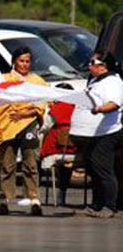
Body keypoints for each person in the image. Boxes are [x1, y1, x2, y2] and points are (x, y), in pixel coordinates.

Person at [0, 46, 47, 216]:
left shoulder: (37, 81)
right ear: (14, 61)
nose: (24, 64)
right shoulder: (4, 79)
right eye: (21, 61)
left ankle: (34, 200)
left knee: (31, 163)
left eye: (27, 61)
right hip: (6, 127)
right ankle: (4, 201)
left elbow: (41, 103)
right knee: (7, 164)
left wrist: (26, 112)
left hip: (28, 125)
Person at [70, 51, 123, 218]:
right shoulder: (96, 80)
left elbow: (113, 104)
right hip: (90, 135)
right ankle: (97, 204)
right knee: (93, 170)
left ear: (103, 66)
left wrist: (99, 109)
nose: (89, 65)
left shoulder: (113, 82)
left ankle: (110, 205)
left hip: (106, 133)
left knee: (104, 170)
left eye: (92, 62)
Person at [39, 83, 77, 207]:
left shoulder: (57, 107)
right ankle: (63, 192)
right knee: (67, 166)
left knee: (36, 159)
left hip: (55, 149)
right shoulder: (79, 107)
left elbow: (45, 127)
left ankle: (35, 194)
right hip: (75, 150)